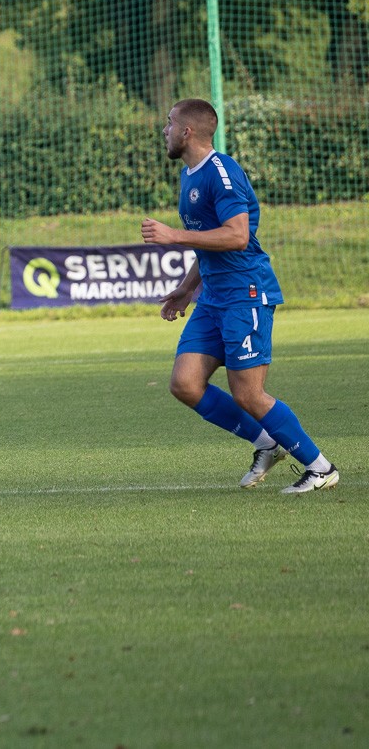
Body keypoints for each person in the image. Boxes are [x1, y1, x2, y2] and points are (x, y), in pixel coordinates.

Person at [142, 98, 339, 495]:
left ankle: (320, 468)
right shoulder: (188, 175)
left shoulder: (222, 171)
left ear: (187, 131)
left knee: (248, 393)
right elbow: (209, 241)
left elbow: (237, 235)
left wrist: (174, 235)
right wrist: (187, 288)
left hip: (245, 294)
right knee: (185, 383)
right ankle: (267, 443)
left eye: (170, 123)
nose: (164, 130)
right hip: (213, 297)